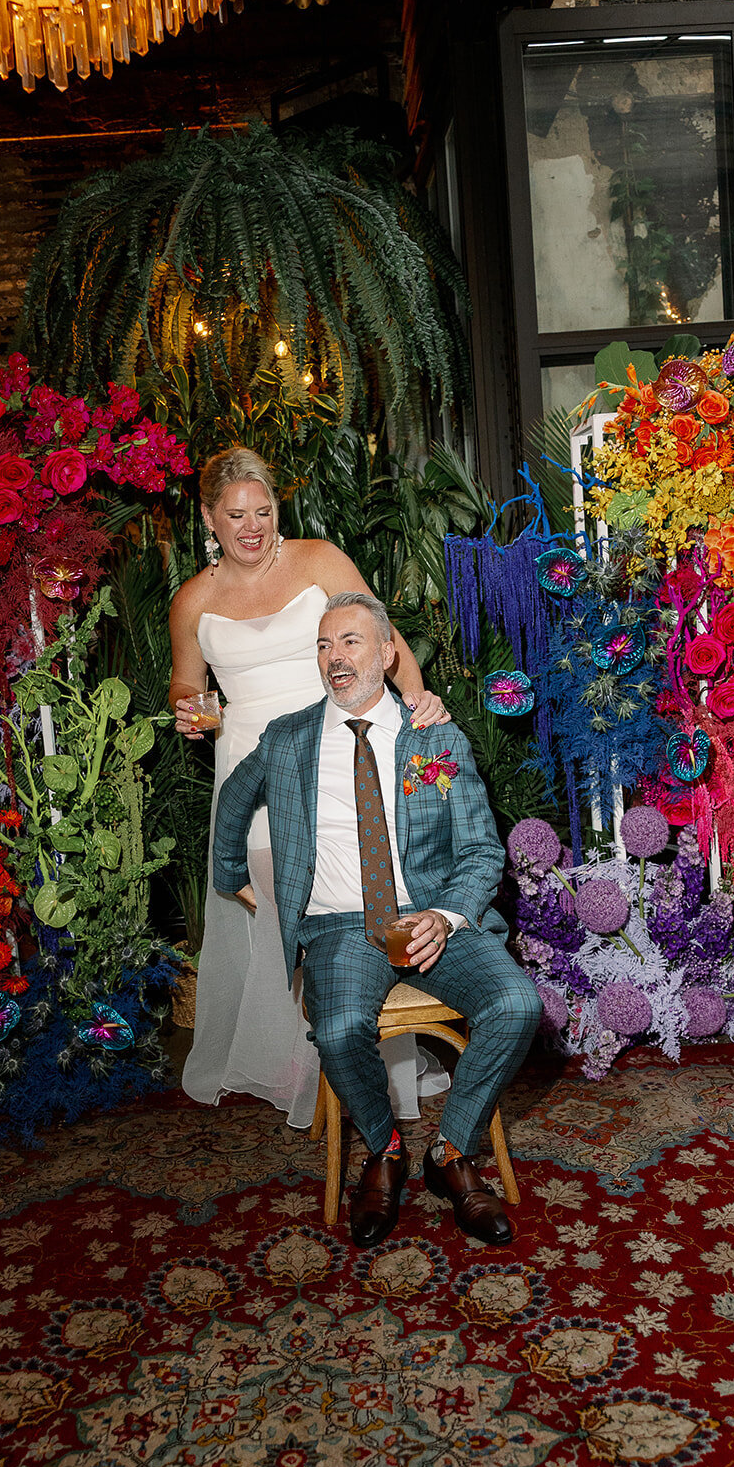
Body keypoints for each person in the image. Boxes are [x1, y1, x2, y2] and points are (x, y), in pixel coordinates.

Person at [212, 592, 541, 1248]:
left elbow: (479, 849)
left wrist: (446, 918)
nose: (335, 656)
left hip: (430, 918)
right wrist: (234, 880)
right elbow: (234, 797)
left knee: (516, 1004)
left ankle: (450, 1153)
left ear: (387, 655)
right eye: (324, 644)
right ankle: (384, 1149)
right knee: (337, 1029)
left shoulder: (434, 736)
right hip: (339, 924)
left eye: (351, 642)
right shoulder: (290, 738)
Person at [169, 447, 452, 1130]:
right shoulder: (193, 600)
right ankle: (309, 1059)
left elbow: (384, 640)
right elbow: (185, 682)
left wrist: (416, 704)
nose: (251, 526)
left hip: (339, 750)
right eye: (235, 514)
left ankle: (374, 1058)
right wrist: (189, 707)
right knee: (283, 916)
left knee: (359, 904)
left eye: (262, 512)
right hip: (255, 768)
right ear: (209, 517)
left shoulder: (319, 560)